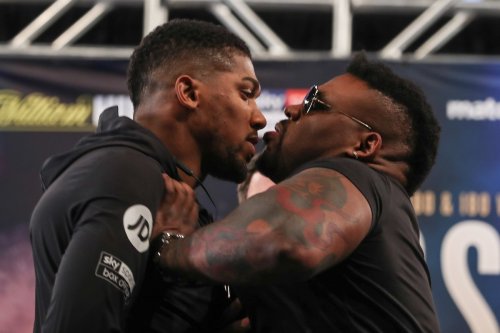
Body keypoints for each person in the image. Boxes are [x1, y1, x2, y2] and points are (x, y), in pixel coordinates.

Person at [153, 52, 442, 332]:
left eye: (314, 103)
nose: (291, 110)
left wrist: (169, 246)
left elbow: (284, 243)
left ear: (365, 146)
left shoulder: (361, 176)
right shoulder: (379, 212)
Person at [29, 18, 266, 332]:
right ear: (188, 92)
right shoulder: (127, 178)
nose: (260, 118)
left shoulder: (159, 188)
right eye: (245, 94)